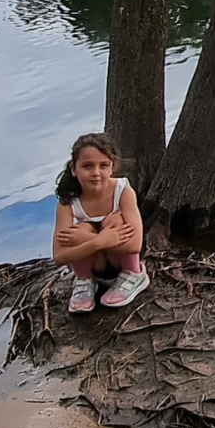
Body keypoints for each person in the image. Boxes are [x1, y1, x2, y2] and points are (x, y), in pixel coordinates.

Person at [52, 133, 149, 314]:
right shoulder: (67, 203)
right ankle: (85, 280)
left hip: (121, 259)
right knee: (79, 230)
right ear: (74, 169)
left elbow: (136, 244)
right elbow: (59, 257)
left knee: (114, 220)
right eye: (87, 166)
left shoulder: (123, 190)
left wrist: (95, 239)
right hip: (95, 265)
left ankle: (134, 275)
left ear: (112, 168)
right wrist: (98, 241)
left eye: (103, 165)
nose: (96, 173)